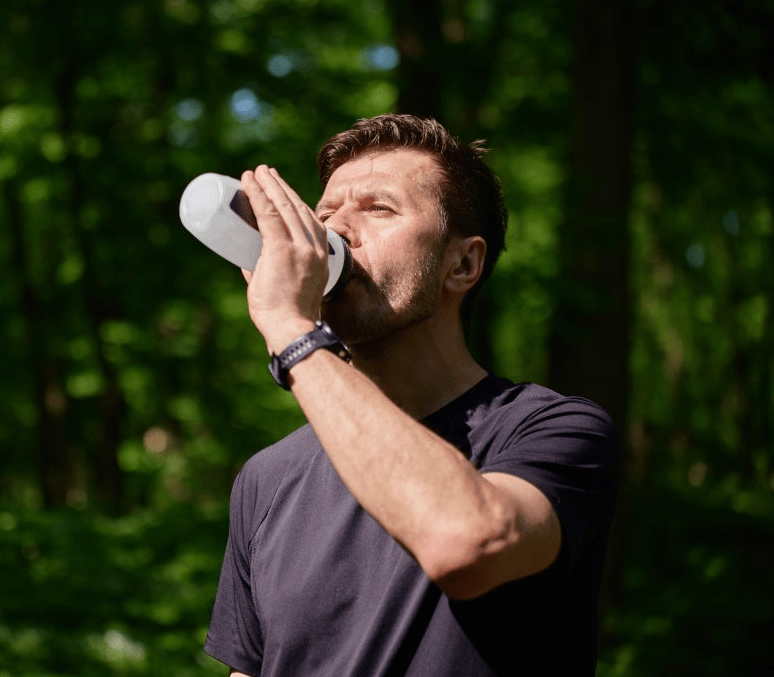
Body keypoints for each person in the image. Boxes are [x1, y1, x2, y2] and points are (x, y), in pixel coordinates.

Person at [203, 114, 621, 676]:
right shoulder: (266, 478)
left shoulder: (552, 429)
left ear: (464, 263)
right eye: (324, 215)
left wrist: (290, 328)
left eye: (378, 208)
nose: (335, 232)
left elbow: (464, 544)